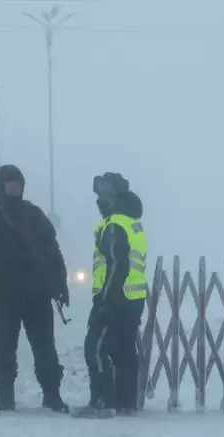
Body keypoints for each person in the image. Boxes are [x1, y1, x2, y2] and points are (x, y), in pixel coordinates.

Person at [0, 164, 72, 413]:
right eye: (8, 182)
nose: (13, 187)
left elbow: (53, 252)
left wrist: (60, 285)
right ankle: (5, 398)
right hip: (2, 296)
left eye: (17, 183)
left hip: (37, 294)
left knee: (45, 347)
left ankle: (52, 396)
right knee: (3, 348)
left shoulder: (34, 215)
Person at [75, 172, 147, 418]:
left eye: (104, 195)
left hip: (115, 298)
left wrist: (105, 301)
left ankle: (102, 402)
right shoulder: (131, 221)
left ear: (115, 197)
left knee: (95, 347)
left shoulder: (115, 223)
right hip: (132, 298)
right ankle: (126, 403)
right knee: (124, 350)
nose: (99, 200)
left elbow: (117, 265)